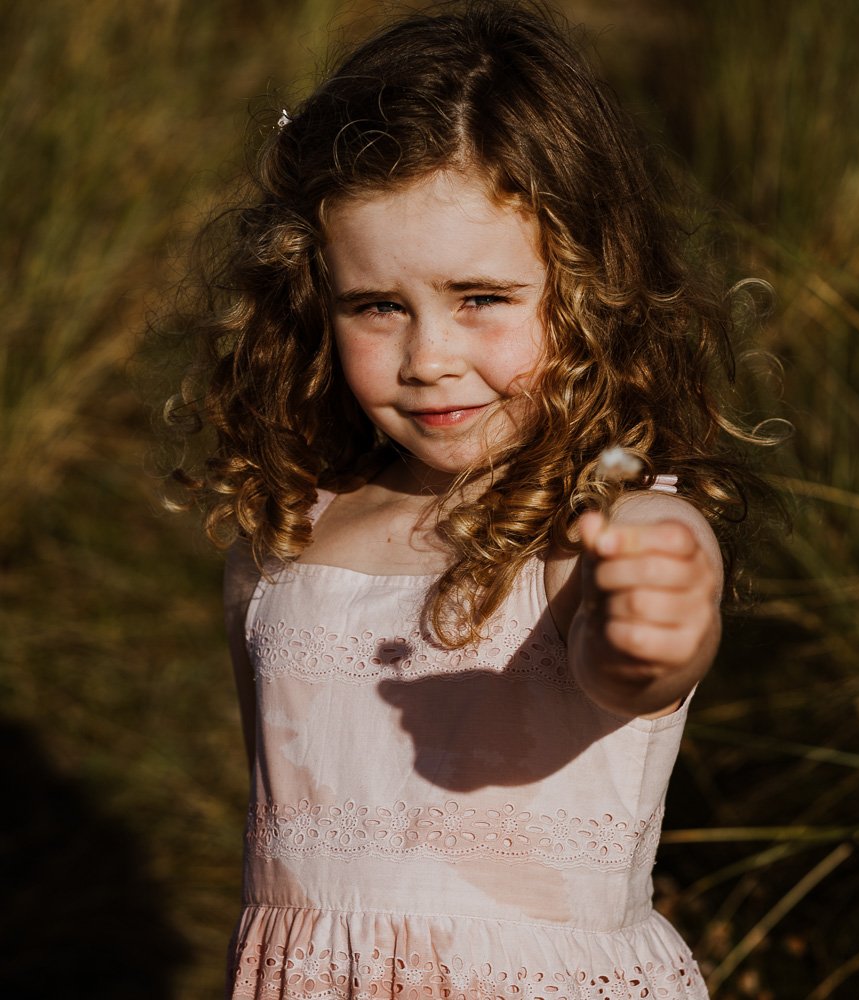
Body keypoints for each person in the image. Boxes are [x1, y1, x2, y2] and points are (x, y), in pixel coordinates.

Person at [164, 3, 770, 997]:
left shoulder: (599, 529)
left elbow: (638, 656)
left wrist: (655, 622)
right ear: (314, 299)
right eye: (378, 307)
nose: (429, 358)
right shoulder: (287, 541)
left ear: (588, 288)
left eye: (481, 297)